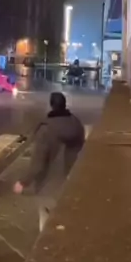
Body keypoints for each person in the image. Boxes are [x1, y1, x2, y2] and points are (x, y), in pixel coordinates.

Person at [13, 91, 85, 232]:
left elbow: (38, 163)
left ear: (51, 105)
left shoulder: (46, 129)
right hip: (72, 182)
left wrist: (23, 182)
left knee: (46, 222)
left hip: (49, 185)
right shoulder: (76, 124)